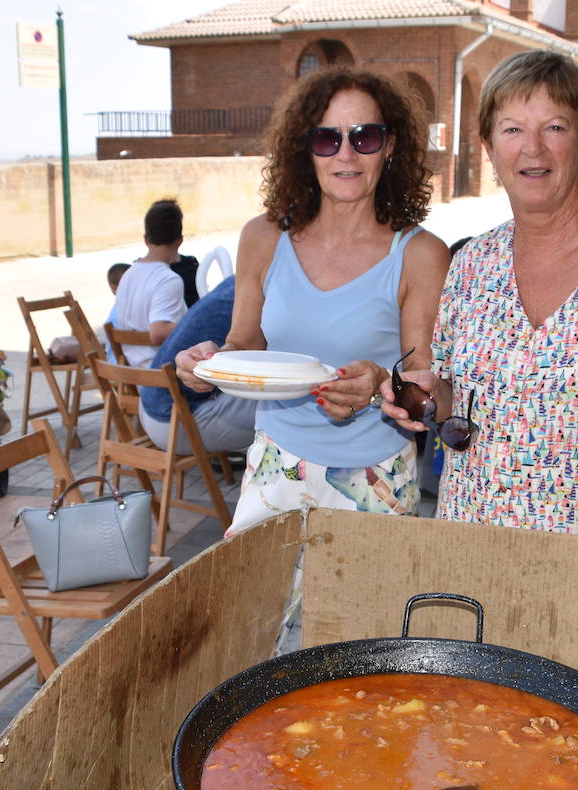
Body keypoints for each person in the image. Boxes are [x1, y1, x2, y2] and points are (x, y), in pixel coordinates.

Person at [382, 49, 578, 541]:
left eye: (554, 127)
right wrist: (420, 395)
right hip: (475, 550)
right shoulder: (471, 266)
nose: (532, 148)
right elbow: (451, 404)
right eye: (512, 129)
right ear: (488, 147)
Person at [175, 66, 450, 536]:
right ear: (306, 148)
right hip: (275, 466)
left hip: (377, 478)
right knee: (260, 609)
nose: (346, 153)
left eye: (364, 137)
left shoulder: (421, 254)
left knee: (368, 613)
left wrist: (383, 382)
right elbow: (243, 342)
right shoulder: (262, 237)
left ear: (391, 146)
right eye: (327, 138)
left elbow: (425, 389)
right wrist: (206, 364)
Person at [139, 275, 256, 455]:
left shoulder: (235, 281)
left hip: (148, 405)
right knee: (294, 400)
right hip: (175, 421)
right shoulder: (258, 288)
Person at [107, 199, 189, 368]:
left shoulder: (128, 275)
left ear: (146, 239)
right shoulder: (169, 279)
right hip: (163, 375)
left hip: (132, 372)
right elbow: (158, 332)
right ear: (179, 240)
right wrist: (194, 321)